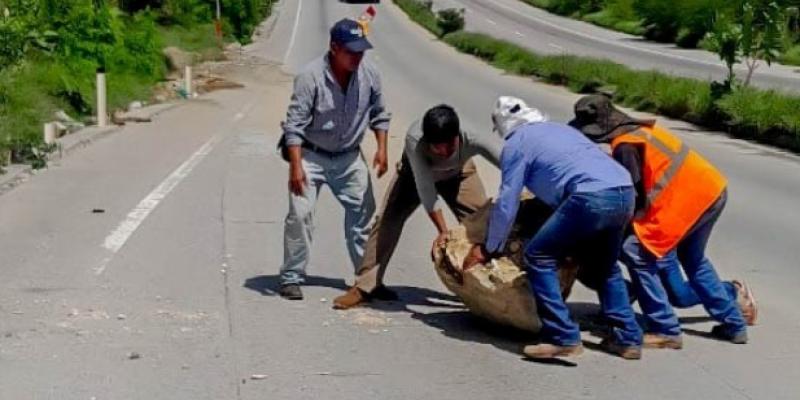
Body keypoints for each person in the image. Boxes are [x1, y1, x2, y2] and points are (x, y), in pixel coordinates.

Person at [464, 96, 643, 360]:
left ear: (503, 126)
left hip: (589, 197)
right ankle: (628, 338)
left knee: (539, 256)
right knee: (604, 267)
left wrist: (490, 246)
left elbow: (507, 201)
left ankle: (562, 335)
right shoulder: (561, 130)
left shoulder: (517, 143)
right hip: (624, 192)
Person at [570, 94, 754, 346]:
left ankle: (665, 329)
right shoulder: (643, 131)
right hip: (711, 191)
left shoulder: (626, 146)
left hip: (686, 203)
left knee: (634, 252)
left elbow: (631, 197)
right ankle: (734, 324)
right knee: (693, 259)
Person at [333, 104, 514, 309]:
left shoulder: (471, 137)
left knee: (487, 225)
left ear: (457, 137)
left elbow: (509, 163)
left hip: (459, 174)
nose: (443, 151)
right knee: (387, 223)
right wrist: (443, 232)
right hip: (413, 177)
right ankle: (364, 286)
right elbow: (426, 189)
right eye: (437, 147)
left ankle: (500, 289)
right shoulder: (415, 140)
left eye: (449, 145)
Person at [277, 19, 391, 300]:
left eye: (360, 51)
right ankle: (291, 276)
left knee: (363, 218)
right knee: (300, 214)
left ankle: (366, 280)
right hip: (311, 155)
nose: (357, 57)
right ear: (334, 48)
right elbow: (294, 126)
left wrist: (382, 147)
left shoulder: (370, 75)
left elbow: (380, 113)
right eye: (351, 51)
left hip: (349, 157)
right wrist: (296, 167)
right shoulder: (310, 77)